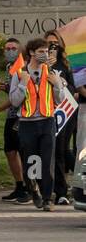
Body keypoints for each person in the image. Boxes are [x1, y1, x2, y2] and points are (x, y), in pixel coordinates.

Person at [9, 37, 69, 211]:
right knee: (31, 160)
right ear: (31, 53)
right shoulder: (19, 73)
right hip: (27, 123)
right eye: (41, 51)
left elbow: (60, 99)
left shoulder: (51, 72)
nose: (45, 54)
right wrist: (23, 84)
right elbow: (13, 101)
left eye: (46, 51)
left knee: (47, 160)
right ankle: (33, 190)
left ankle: (47, 198)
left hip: (47, 121)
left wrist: (57, 84)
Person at [0, 37, 28, 202]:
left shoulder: (23, 68)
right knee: (10, 151)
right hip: (12, 114)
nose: (10, 51)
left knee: (23, 150)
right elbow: (12, 94)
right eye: (7, 48)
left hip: (23, 115)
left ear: (20, 51)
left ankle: (29, 186)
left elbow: (19, 96)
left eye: (13, 48)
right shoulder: (9, 67)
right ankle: (19, 186)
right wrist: (4, 88)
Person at [45, 30, 77, 206]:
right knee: (53, 151)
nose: (51, 47)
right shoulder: (41, 64)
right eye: (48, 43)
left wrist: (61, 82)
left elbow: (73, 87)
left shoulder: (65, 64)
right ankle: (56, 190)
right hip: (46, 111)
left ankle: (63, 191)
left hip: (64, 111)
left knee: (62, 149)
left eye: (54, 43)